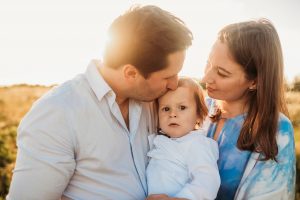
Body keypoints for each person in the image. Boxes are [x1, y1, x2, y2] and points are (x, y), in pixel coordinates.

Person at [7, 5, 193, 200]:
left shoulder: (159, 101)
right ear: (131, 73)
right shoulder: (57, 113)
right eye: (168, 76)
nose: (174, 84)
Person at [201, 18, 295, 200]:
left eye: (222, 73)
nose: (206, 78)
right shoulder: (197, 108)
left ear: (254, 81)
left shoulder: (277, 129)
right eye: (208, 63)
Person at [146, 77, 220, 200]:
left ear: (198, 115)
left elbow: (207, 178)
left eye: (182, 107)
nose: (173, 114)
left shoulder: (197, 143)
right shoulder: (160, 141)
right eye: (166, 109)